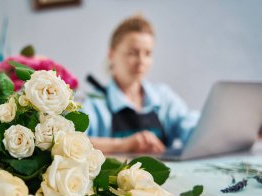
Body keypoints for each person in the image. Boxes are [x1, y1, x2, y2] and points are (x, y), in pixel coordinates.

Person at [83, 14, 199, 154]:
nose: (141, 61)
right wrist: (123, 145)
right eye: (133, 53)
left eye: (148, 54)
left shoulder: (163, 96)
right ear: (111, 55)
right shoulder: (95, 103)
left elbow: (192, 129)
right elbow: (71, 143)